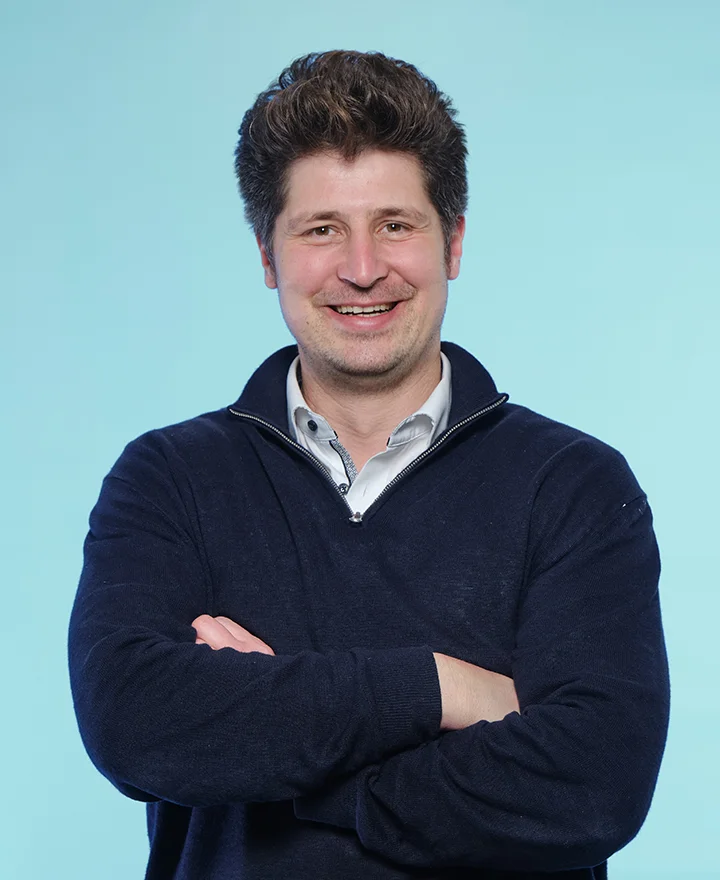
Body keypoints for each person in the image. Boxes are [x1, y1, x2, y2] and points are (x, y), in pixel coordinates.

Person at [68, 50, 669, 880]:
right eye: (321, 230)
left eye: (395, 223)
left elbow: (595, 782)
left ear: (451, 242)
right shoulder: (169, 480)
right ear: (269, 257)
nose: (360, 268)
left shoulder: (575, 486)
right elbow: (132, 723)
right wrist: (440, 690)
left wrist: (276, 743)